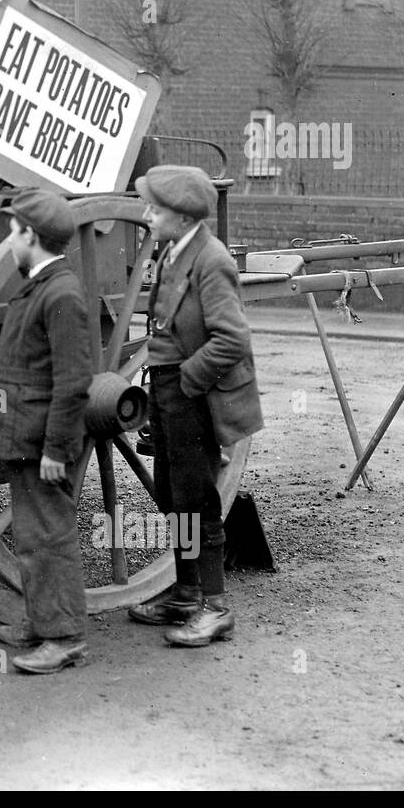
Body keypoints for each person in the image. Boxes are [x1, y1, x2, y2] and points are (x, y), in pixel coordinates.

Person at [128, 164, 264, 647]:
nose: (147, 215)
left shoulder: (211, 260)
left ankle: (216, 608)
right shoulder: (174, 251)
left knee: (198, 501)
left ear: (183, 218)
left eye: (156, 209)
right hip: (168, 391)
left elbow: (231, 339)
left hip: (192, 395)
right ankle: (185, 593)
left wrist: (186, 381)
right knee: (172, 494)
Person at [0, 190, 93, 675]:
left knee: (50, 535)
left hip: (41, 442)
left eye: (13, 232)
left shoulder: (61, 294)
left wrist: (56, 449)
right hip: (24, 434)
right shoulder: (40, 285)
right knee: (32, 535)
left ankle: (66, 637)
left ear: (31, 236)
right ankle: (43, 618)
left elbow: (73, 383)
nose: (9, 240)